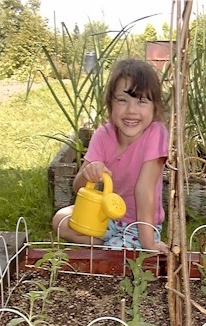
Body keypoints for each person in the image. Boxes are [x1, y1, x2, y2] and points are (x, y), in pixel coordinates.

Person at [52, 58, 169, 254]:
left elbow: (144, 189)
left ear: (154, 107)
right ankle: (100, 244)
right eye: (122, 100)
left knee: (118, 255)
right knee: (60, 219)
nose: (131, 110)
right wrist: (89, 172)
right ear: (110, 104)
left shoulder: (156, 133)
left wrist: (149, 243)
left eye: (141, 101)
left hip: (140, 224)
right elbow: (78, 187)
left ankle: (118, 245)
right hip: (105, 217)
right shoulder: (103, 135)